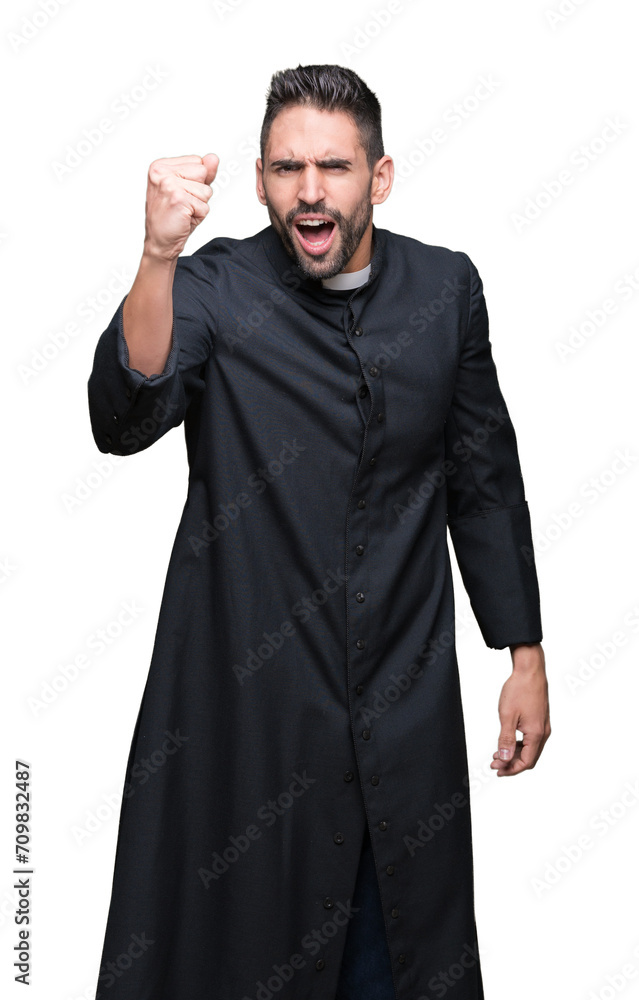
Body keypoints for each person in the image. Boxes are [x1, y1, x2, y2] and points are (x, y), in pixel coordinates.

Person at [87, 63, 550, 1000]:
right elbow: (123, 417)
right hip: (248, 723)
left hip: (403, 709)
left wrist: (524, 654)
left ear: (377, 177)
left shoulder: (446, 289)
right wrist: (155, 257)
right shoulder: (215, 287)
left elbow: (484, 479)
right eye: (287, 168)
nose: (310, 190)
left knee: (398, 955)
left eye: (333, 168)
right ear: (260, 181)